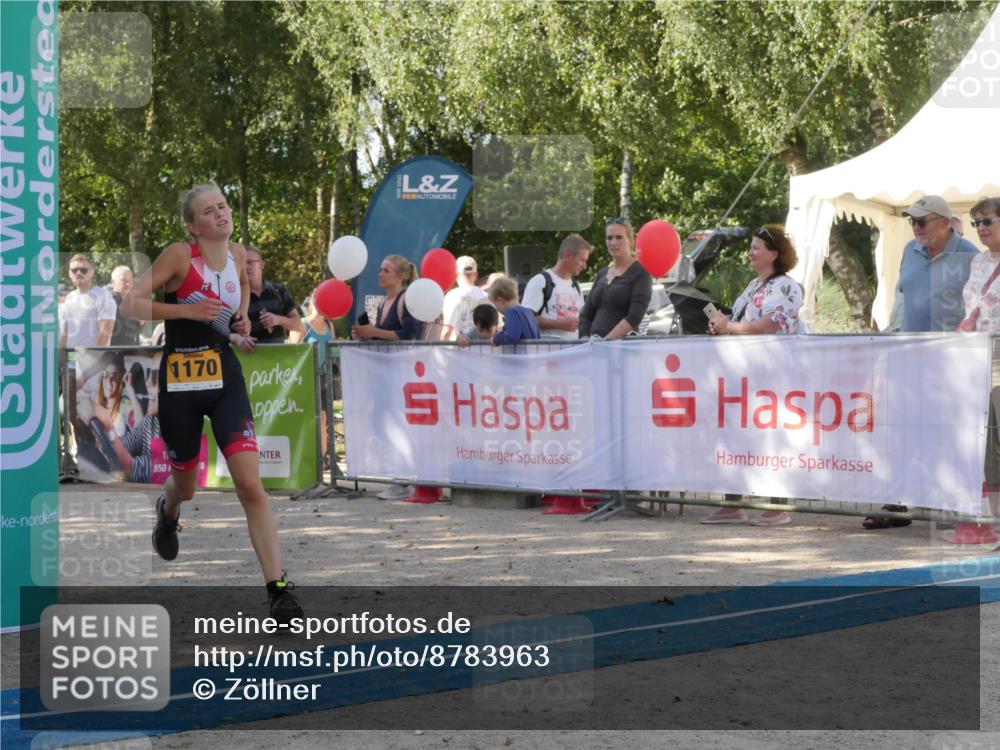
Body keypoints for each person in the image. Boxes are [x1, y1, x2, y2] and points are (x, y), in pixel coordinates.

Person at [121, 183, 302, 622]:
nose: (221, 215)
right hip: (181, 385)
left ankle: (278, 590)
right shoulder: (179, 256)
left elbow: (238, 286)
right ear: (191, 225)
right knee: (186, 485)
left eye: (223, 206)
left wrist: (237, 321)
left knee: (250, 485)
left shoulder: (239, 255)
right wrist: (187, 311)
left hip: (226, 381)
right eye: (209, 211)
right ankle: (168, 511)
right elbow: (130, 303)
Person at [872, 195, 979, 527]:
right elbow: (903, 301)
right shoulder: (909, 251)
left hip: (953, 362)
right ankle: (896, 503)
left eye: (922, 221)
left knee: (950, 432)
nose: (915, 228)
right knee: (901, 430)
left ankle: (953, 505)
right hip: (909, 357)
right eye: (912, 222)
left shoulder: (970, 257)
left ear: (945, 222)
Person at [704, 224, 804, 526]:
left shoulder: (786, 286)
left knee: (771, 437)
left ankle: (777, 506)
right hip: (743, 372)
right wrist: (721, 324)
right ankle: (732, 502)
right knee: (735, 435)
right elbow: (742, 321)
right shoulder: (754, 285)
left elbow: (769, 324)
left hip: (771, 374)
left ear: (774, 253)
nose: (750, 252)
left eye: (756, 247)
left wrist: (729, 327)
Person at [946, 196, 1000, 544]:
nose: (981, 228)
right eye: (976, 222)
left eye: (988, 221)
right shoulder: (979, 262)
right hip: (980, 354)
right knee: (986, 441)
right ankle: (991, 525)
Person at [579, 218, 652, 339]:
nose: (613, 242)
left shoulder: (641, 273)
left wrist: (605, 343)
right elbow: (586, 315)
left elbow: (634, 317)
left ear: (631, 241)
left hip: (622, 349)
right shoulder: (602, 274)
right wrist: (585, 340)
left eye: (619, 237)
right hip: (593, 348)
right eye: (609, 238)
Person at [290, 292, 338, 462]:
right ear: (314, 302)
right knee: (309, 417)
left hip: (325, 377)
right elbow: (293, 352)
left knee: (324, 417)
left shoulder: (329, 325)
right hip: (306, 377)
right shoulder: (302, 324)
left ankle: (323, 457)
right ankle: (305, 455)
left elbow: (333, 350)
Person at [521, 233, 591, 339]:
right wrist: (559, 324)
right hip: (548, 353)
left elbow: (581, 320)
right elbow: (524, 319)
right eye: (582, 260)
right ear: (568, 255)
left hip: (574, 352)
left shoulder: (575, 286)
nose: (585, 266)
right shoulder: (540, 281)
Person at [350, 255, 423, 342]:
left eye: (386, 271)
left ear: (401, 276)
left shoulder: (407, 300)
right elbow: (380, 338)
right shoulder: (383, 302)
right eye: (380, 270)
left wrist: (374, 332)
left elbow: (410, 335)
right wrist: (364, 335)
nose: (380, 275)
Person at [245, 246, 305, 343]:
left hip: (277, 356)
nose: (246, 267)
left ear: (261, 265)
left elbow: (298, 325)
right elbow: (223, 332)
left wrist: (277, 320)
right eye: (242, 263)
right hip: (246, 357)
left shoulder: (278, 291)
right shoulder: (237, 296)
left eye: (249, 262)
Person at [60, 253, 117, 348]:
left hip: (94, 360)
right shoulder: (70, 297)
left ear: (92, 273)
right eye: (74, 270)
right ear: (70, 274)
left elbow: (105, 333)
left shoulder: (103, 296)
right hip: (72, 359)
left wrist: (94, 359)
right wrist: (59, 355)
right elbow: (65, 331)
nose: (78, 273)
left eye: (83, 270)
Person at [440, 255, 487, 341]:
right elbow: (497, 328)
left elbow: (447, 331)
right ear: (476, 274)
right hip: (484, 351)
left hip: (459, 351)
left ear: (456, 274)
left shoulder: (453, 296)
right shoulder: (487, 296)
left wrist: (439, 351)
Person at [485, 276, 540, 344]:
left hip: (522, 353)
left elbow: (512, 337)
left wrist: (496, 338)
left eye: (495, 304)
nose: (496, 308)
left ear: (500, 300)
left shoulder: (511, 312)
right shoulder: (528, 312)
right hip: (535, 352)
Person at [109, 266, 144, 346]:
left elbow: (132, 333)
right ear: (113, 281)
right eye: (123, 280)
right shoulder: (109, 301)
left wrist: (140, 323)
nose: (128, 284)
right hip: (112, 354)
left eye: (130, 280)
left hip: (129, 353)